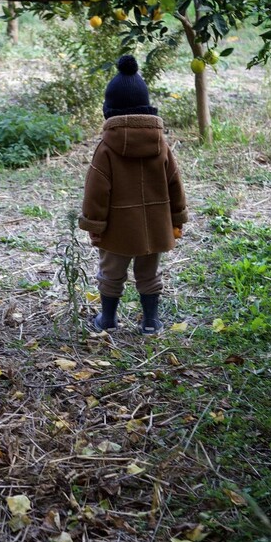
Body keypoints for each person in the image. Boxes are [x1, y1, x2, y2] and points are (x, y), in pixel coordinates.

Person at [78, 54, 188, 334]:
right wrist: (177, 219)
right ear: (147, 109)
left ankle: (108, 320)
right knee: (149, 274)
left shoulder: (106, 148)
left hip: (117, 228)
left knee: (111, 273)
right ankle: (150, 322)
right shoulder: (160, 144)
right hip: (154, 226)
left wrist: (95, 226)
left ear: (109, 110)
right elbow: (174, 183)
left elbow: (96, 190)